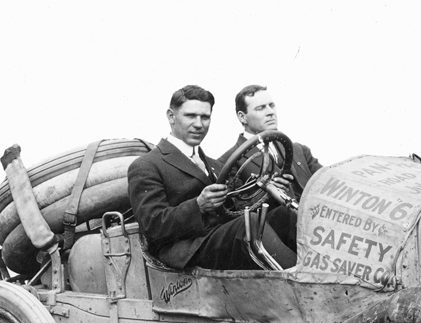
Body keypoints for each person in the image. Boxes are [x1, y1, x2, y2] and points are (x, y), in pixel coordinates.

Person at [127, 85, 296, 270]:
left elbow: (237, 209)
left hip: (218, 237)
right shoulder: (147, 165)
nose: (199, 124)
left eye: (205, 117)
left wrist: (267, 189)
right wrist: (197, 206)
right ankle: (302, 281)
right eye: (190, 116)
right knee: (249, 225)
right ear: (171, 116)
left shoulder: (214, 164)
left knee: (284, 215)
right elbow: (153, 227)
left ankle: (322, 272)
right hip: (186, 249)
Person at [217, 84, 322, 201]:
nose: (270, 112)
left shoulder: (299, 150)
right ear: (242, 117)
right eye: (260, 108)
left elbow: (328, 181)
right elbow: (238, 210)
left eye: (271, 106)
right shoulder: (227, 163)